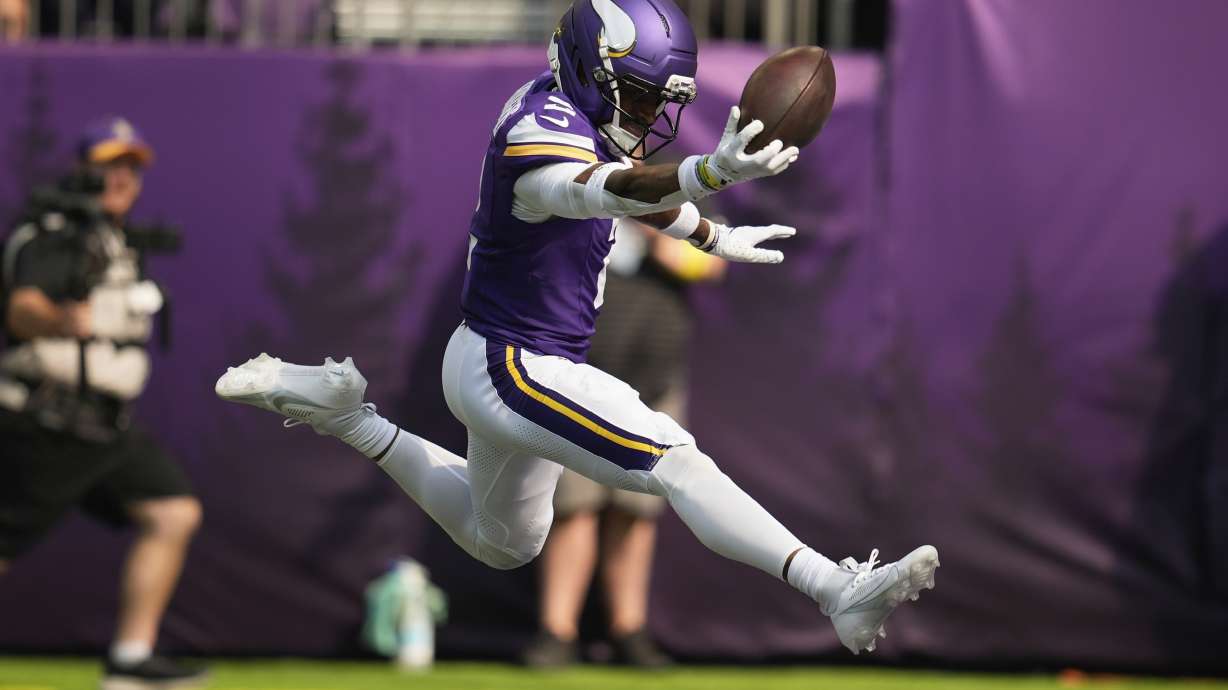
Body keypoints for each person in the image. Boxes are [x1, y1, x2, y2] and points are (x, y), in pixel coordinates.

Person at [216, 0, 938, 655]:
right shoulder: (542, 127)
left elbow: (621, 181)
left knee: (503, 543)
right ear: (594, 68)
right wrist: (706, 176)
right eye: (642, 94)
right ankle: (833, 587)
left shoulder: (574, 109)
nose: (651, 112)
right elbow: (601, 190)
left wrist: (708, 234)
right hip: (515, 364)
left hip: (496, 359)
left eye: (661, 98)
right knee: (677, 461)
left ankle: (348, 417)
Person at [0, 117, 207, 689]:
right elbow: (22, 309)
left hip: (105, 427)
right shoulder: (55, 232)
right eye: (109, 166)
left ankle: (131, 660)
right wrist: (64, 319)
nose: (121, 179)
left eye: (131, 168)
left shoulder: (115, 240)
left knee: (172, 511)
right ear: (81, 170)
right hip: (45, 420)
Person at [523, 223, 723, 668]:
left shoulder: (681, 195)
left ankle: (628, 630)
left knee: (636, 512)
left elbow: (712, 264)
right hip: (575, 378)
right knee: (573, 507)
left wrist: (658, 230)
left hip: (654, 382)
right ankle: (556, 632)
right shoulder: (572, 192)